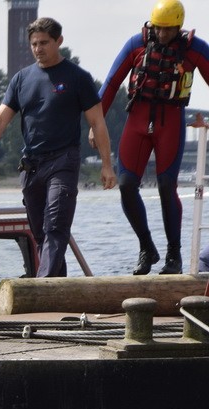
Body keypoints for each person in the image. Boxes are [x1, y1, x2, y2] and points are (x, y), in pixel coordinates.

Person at [0, 17, 117, 277]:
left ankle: (41, 285)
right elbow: (1, 118)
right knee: (41, 235)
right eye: (34, 44)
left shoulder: (78, 77)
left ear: (59, 41)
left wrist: (106, 165)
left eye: (44, 43)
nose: (38, 48)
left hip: (64, 160)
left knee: (56, 226)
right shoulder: (21, 79)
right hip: (31, 165)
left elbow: (97, 122)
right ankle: (57, 295)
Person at [94, 0, 209, 275]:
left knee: (166, 185)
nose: (162, 34)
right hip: (137, 120)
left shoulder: (195, 49)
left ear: (179, 27)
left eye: (168, 30)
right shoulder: (136, 44)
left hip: (170, 122)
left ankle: (174, 254)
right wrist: (93, 123)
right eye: (158, 28)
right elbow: (110, 84)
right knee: (126, 184)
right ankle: (147, 247)